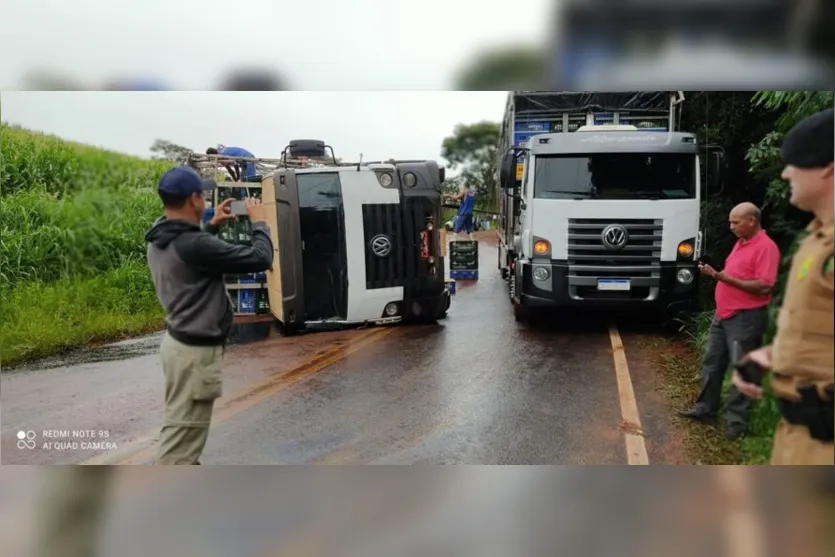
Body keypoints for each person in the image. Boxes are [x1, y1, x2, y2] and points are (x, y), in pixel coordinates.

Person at [145, 166, 274, 464]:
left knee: (181, 429)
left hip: (178, 346)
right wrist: (260, 224)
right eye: (202, 194)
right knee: (182, 445)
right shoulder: (195, 244)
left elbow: (194, 253)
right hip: (194, 355)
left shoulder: (161, 232)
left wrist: (212, 225)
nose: (204, 199)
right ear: (193, 200)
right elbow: (260, 258)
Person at [732, 107, 834, 465]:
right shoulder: (816, 239)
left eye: (796, 162)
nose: (786, 172)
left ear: (827, 167)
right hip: (797, 440)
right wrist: (770, 356)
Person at [679, 201, 781, 440]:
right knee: (712, 362)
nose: (731, 226)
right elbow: (731, 276)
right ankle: (705, 410)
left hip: (746, 317)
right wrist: (716, 275)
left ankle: (736, 425)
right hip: (723, 315)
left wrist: (728, 280)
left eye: (735, 221)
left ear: (751, 221)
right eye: (730, 221)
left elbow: (765, 285)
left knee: (743, 370)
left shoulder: (766, 248)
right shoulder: (740, 243)